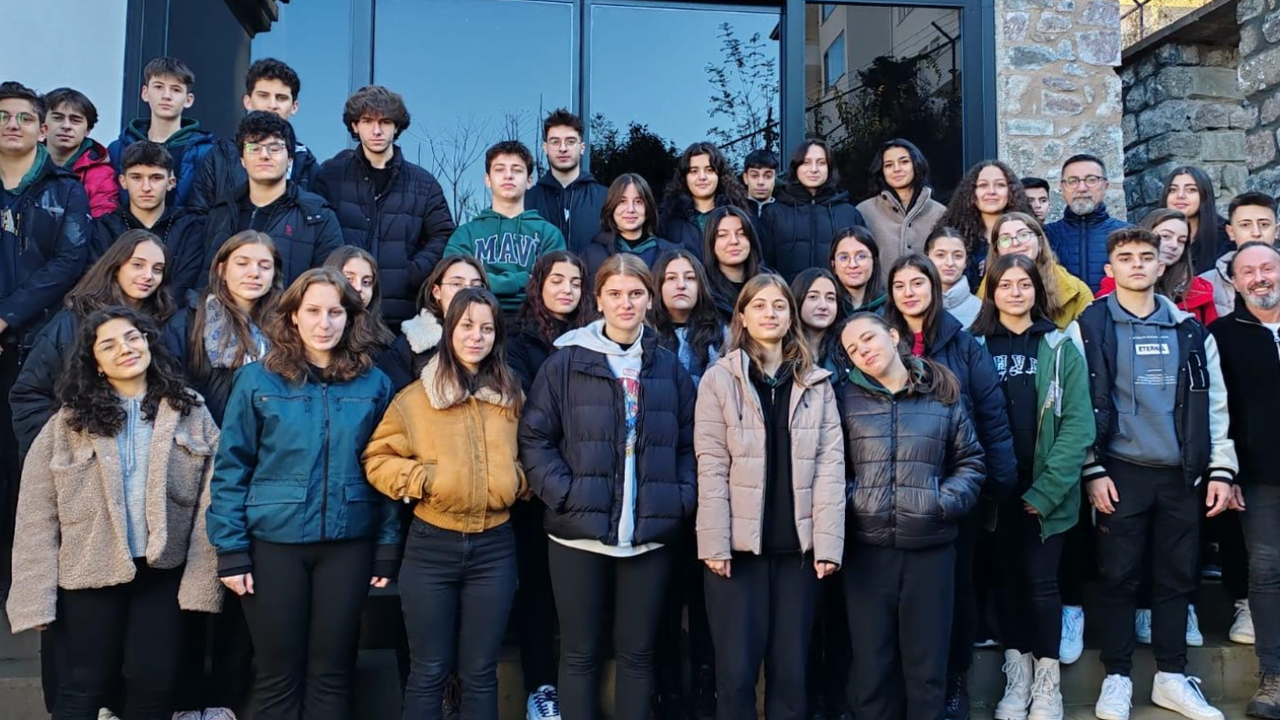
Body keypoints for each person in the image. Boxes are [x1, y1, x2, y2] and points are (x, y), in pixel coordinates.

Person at [5, 306, 221, 720]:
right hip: (87, 573)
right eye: (109, 345)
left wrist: (200, 580)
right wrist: (35, 595)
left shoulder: (191, 411)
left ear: (149, 344)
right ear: (96, 363)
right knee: (81, 689)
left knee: (154, 687)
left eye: (133, 337)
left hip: (162, 573)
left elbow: (211, 502)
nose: (125, 348)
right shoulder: (68, 423)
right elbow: (36, 514)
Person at [207, 267, 397, 720]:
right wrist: (230, 548)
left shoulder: (374, 384)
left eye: (335, 312)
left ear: (351, 317)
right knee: (278, 675)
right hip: (274, 544)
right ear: (293, 315)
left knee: (331, 674)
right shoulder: (257, 381)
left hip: (348, 544)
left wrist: (388, 546)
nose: (324, 323)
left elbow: (387, 471)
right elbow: (231, 467)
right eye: (312, 311)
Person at [519, 254, 698, 720]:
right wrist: (565, 495)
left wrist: (678, 499)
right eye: (615, 294)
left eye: (636, 294)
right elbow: (535, 438)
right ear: (597, 299)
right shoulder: (565, 362)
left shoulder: (666, 367)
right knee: (579, 654)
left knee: (637, 656)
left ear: (649, 299)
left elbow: (690, 443)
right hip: (577, 535)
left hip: (649, 536)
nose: (625, 304)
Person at [1080, 228, 1237, 720]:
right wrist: (1091, 468)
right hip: (1119, 471)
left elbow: (1214, 404)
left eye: (1146, 257)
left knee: (1176, 577)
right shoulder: (1089, 326)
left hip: (1181, 474)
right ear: (1110, 270)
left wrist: (1221, 468)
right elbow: (1077, 405)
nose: (1137, 264)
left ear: (1160, 265)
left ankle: (1172, 676)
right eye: (1126, 257)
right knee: (1118, 577)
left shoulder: (1191, 330)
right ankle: (1117, 677)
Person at [363, 287, 524, 720]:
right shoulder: (417, 398)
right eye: (467, 326)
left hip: (494, 548)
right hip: (432, 545)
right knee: (429, 671)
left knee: (480, 672)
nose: (476, 337)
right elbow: (377, 459)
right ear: (450, 330)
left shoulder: (511, 396)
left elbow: (530, 454)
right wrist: (424, 479)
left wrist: (514, 481)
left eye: (487, 328)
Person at [694, 273, 846, 720]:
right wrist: (715, 543)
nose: (770, 313)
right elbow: (711, 465)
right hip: (737, 555)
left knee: (791, 675)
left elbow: (830, 466)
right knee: (736, 676)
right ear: (742, 316)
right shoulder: (719, 380)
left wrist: (827, 545)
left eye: (779, 305)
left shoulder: (816, 383)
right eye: (759, 305)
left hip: (799, 555)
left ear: (790, 316)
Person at [881, 254, 1019, 719]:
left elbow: (991, 412)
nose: (909, 293)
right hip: (895, 494)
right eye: (900, 285)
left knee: (955, 593)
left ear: (934, 288)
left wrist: (997, 482)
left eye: (917, 283)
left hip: (955, 491)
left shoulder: (963, 343)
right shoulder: (880, 340)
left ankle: (954, 680)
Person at [838, 312, 985, 720]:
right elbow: (831, 467)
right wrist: (858, 500)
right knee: (872, 669)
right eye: (853, 349)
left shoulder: (941, 393)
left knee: (927, 670)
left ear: (892, 335)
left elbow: (971, 462)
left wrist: (939, 502)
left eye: (868, 338)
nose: (863, 350)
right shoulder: (844, 399)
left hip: (930, 552)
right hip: (868, 554)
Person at [969, 253, 1095, 720]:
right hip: (994, 491)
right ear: (991, 292)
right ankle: (1017, 675)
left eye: (1024, 284)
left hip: (1046, 490)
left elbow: (1078, 425)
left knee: (1042, 585)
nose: (1015, 292)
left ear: (1037, 291)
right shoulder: (974, 346)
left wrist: (1048, 490)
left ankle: (1047, 682)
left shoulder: (1059, 346)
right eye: (1005, 285)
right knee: (1006, 583)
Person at [0, 80, 91, 597]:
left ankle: (22, 579)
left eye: (23, 117)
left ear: (40, 129)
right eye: (3, 116)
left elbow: (68, 262)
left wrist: (6, 317)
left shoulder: (66, 189)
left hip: (37, 343)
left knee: (28, 463)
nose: (12, 125)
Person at [503, 251, 589, 720]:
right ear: (539, 284)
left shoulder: (596, 337)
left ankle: (577, 686)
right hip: (538, 487)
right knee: (537, 590)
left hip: (589, 484)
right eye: (557, 280)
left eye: (575, 283)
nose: (566, 290)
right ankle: (540, 687)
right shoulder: (518, 341)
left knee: (578, 598)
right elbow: (531, 411)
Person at [10, 230, 179, 460]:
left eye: (157, 269)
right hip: (80, 457)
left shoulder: (167, 326)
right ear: (116, 266)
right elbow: (29, 395)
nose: (148, 275)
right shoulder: (71, 323)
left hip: (145, 457)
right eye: (138, 265)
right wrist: (65, 449)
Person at [649, 248, 723, 718]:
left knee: (705, 597)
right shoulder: (643, 337)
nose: (680, 285)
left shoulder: (721, 339)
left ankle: (705, 687)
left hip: (712, 478)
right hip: (659, 478)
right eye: (671, 277)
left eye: (689, 277)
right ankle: (666, 690)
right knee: (661, 593)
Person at [1208, 241, 1280, 719]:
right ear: (1234, 282)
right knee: (1267, 574)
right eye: (1247, 271)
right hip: (1258, 477)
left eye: (1267, 268)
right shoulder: (1221, 335)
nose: (1259, 278)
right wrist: (1227, 472)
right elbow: (1219, 411)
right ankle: (1274, 677)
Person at [316, 85, 457, 327]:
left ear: (396, 127)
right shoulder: (331, 176)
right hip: (340, 311)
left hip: (400, 317)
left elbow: (444, 236)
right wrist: (336, 271)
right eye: (367, 121)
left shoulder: (423, 184)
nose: (376, 130)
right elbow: (315, 232)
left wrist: (411, 272)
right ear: (354, 126)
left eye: (385, 122)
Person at [202, 111, 342, 286]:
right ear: (242, 159)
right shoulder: (222, 212)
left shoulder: (318, 216)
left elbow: (329, 286)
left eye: (275, 148)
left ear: (290, 159)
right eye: (254, 148)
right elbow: (206, 280)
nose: (264, 155)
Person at [443, 141, 567, 317]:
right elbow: (456, 285)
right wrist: (521, 279)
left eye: (517, 170)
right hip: (476, 320)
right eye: (499, 169)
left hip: (534, 323)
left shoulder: (549, 234)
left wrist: (482, 282)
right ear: (488, 180)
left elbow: (554, 287)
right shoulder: (465, 235)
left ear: (529, 181)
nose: (508, 176)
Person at [179, 230, 284, 425]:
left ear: (274, 275)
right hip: (206, 434)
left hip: (271, 435)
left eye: (265, 266)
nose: (254, 273)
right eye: (242, 264)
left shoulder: (287, 326)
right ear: (221, 271)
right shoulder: (189, 321)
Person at [190, 58, 322, 211]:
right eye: (263, 95)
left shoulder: (308, 167)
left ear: (294, 107)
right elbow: (198, 216)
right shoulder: (218, 158)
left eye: (281, 98)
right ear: (247, 102)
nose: (272, 105)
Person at [93, 142, 206, 297]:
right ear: (123, 181)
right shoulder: (103, 228)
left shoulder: (192, 228)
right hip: (115, 310)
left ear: (171, 182)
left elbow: (186, 285)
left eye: (156, 178)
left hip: (174, 310)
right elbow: (99, 282)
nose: (146, 187)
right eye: (136, 177)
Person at [108, 57, 216, 209]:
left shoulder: (207, 152)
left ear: (188, 99)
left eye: (176, 89)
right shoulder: (118, 149)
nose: (166, 96)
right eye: (158, 87)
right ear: (145, 93)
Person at [761, 139, 865, 281]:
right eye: (806, 162)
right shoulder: (774, 213)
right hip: (787, 294)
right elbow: (763, 266)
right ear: (796, 167)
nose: (814, 169)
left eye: (821, 163)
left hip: (835, 294)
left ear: (829, 168)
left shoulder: (849, 213)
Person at [383, 255, 489, 390]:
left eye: (476, 286)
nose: (467, 292)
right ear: (436, 292)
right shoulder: (408, 346)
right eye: (456, 284)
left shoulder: (495, 341)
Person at [1096, 209, 1217, 325]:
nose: (1174, 245)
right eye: (1166, 236)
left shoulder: (1199, 292)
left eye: (1181, 241)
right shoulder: (1111, 294)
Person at [980, 212, 1093, 329]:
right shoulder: (985, 291)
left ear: (1040, 243)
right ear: (997, 251)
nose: (1015, 243)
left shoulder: (1077, 291)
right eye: (1005, 239)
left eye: (1023, 235)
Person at [934, 160, 1033, 282]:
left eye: (1000, 185)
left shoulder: (1027, 236)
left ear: (1011, 191)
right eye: (983, 185)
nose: (991, 191)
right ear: (971, 192)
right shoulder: (952, 235)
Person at [525, 109, 608, 253]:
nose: (562, 148)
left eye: (570, 142)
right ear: (545, 148)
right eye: (555, 142)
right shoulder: (527, 201)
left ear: (582, 148)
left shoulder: (605, 198)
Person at [856, 138, 946, 269]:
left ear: (916, 165)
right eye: (888, 165)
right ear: (881, 171)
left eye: (904, 162)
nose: (897, 169)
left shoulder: (939, 213)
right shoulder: (864, 211)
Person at [1044, 154, 1130, 291]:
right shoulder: (1044, 236)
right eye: (1073, 181)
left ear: (1105, 186)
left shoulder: (1129, 234)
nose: (1082, 188)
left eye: (1091, 180)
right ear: (1062, 188)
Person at [659, 141, 751, 258]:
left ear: (719, 175)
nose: (702, 177)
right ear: (685, 177)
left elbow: (755, 260)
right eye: (694, 171)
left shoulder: (739, 214)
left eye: (709, 170)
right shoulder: (669, 219)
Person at [583, 173, 680, 280]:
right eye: (622, 201)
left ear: (648, 208)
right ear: (611, 206)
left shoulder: (670, 253)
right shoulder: (591, 254)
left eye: (638, 202)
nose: (631, 209)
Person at [43, 87, 118, 218]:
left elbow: (103, 224)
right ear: (42, 124)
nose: (66, 126)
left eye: (75, 120)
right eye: (58, 118)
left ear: (87, 130)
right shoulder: (21, 163)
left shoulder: (102, 176)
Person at [1201, 192, 1279, 317]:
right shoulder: (1205, 284)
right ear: (1231, 232)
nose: (1256, 233)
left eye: (1264, 224)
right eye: (1245, 225)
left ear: (1276, 230)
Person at [322, 245, 396, 349]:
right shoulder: (312, 335)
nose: (358, 288)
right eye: (349, 279)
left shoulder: (384, 344)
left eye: (366, 282)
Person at [703, 206, 766, 322]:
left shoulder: (769, 282)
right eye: (723, 235)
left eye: (741, 233)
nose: (734, 241)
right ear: (711, 243)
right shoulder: (703, 289)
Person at [1163, 166, 1228, 274]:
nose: (1180, 195)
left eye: (1191, 190)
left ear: (1204, 195)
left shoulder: (1226, 237)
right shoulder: (1152, 233)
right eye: (1173, 190)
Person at [792, 267, 847, 377]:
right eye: (813, 297)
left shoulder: (846, 348)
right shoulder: (782, 351)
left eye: (830, 298)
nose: (823, 306)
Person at [927, 227, 981, 329]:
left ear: (966, 261)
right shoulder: (914, 305)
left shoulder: (981, 310)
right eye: (940, 255)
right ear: (927, 258)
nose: (950, 263)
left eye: (958, 256)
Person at [829, 226, 885, 314]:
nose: (853, 265)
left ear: (874, 262)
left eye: (861, 256)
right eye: (844, 258)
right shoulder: (826, 309)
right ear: (833, 265)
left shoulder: (891, 308)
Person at [742, 149, 779, 220]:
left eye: (768, 176)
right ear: (745, 178)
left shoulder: (787, 212)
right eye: (754, 176)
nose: (760, 182)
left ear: (774, 179)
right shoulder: (733, 211)